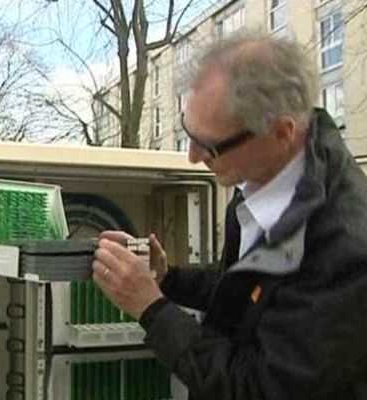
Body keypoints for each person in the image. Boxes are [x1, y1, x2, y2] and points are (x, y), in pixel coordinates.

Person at [92, 32, 367, 399]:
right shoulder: (267, 177)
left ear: (281, 132)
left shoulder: (346, 250)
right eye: (188, 132)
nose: (191, 157)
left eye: (208, 146)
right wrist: (167, 278)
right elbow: (250, 291)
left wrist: (151, 308)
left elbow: (257, 388)